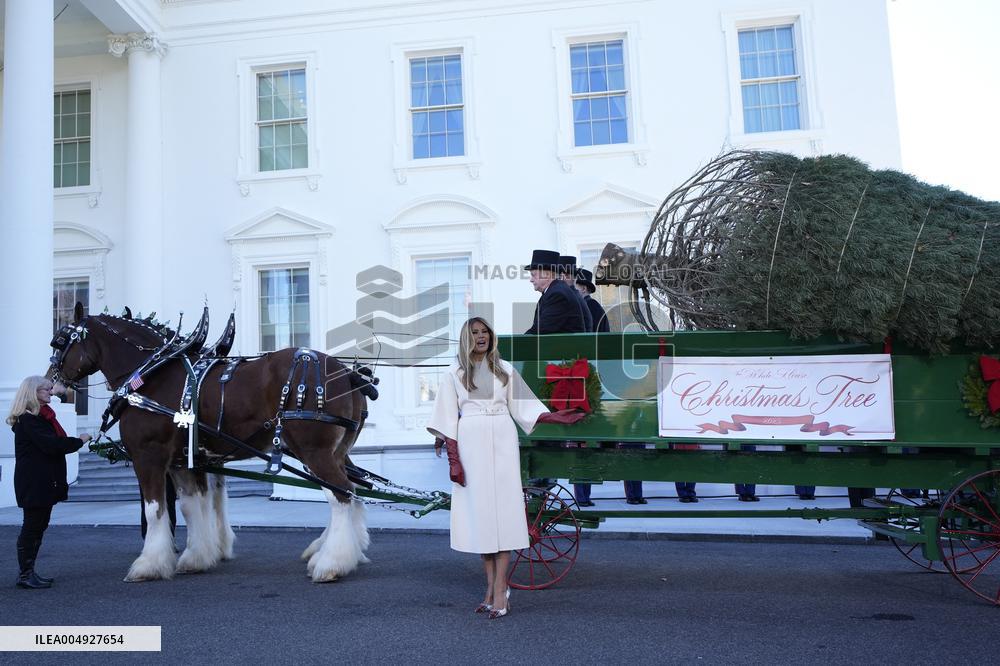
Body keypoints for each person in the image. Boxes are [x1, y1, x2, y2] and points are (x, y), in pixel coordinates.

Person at [429, 317, 584, 619]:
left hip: (502, 437)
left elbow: (525, 407)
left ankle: (501, 590)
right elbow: (447, 419)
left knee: (505, 515)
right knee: (482, 516)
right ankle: (490, 590)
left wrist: (556, 417)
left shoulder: (504, 369)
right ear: (466, 337)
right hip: (471, 441)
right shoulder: (454, 373)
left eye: (485, 331)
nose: (481, 336)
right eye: (475, 332)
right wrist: (454, 460)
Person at [571, 267, 647, 505]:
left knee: (585, 439)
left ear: (582, 288)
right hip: (590, 376)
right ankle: (589, 495)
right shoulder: (587, 308)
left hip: (590, 377)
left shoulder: (590, 308)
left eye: (574, 285)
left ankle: (584, 495)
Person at [7, 376, 91, 589]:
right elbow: (52, 444)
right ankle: (25, 575)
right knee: (32, 527)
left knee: (38, 525)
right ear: (33, 392)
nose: (51, 392)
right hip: (35, 482)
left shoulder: (40, 417)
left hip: (41, 481)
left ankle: (28, 572)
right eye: (46, 389)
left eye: (50, 388)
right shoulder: (29, 419)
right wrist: (79, 440)